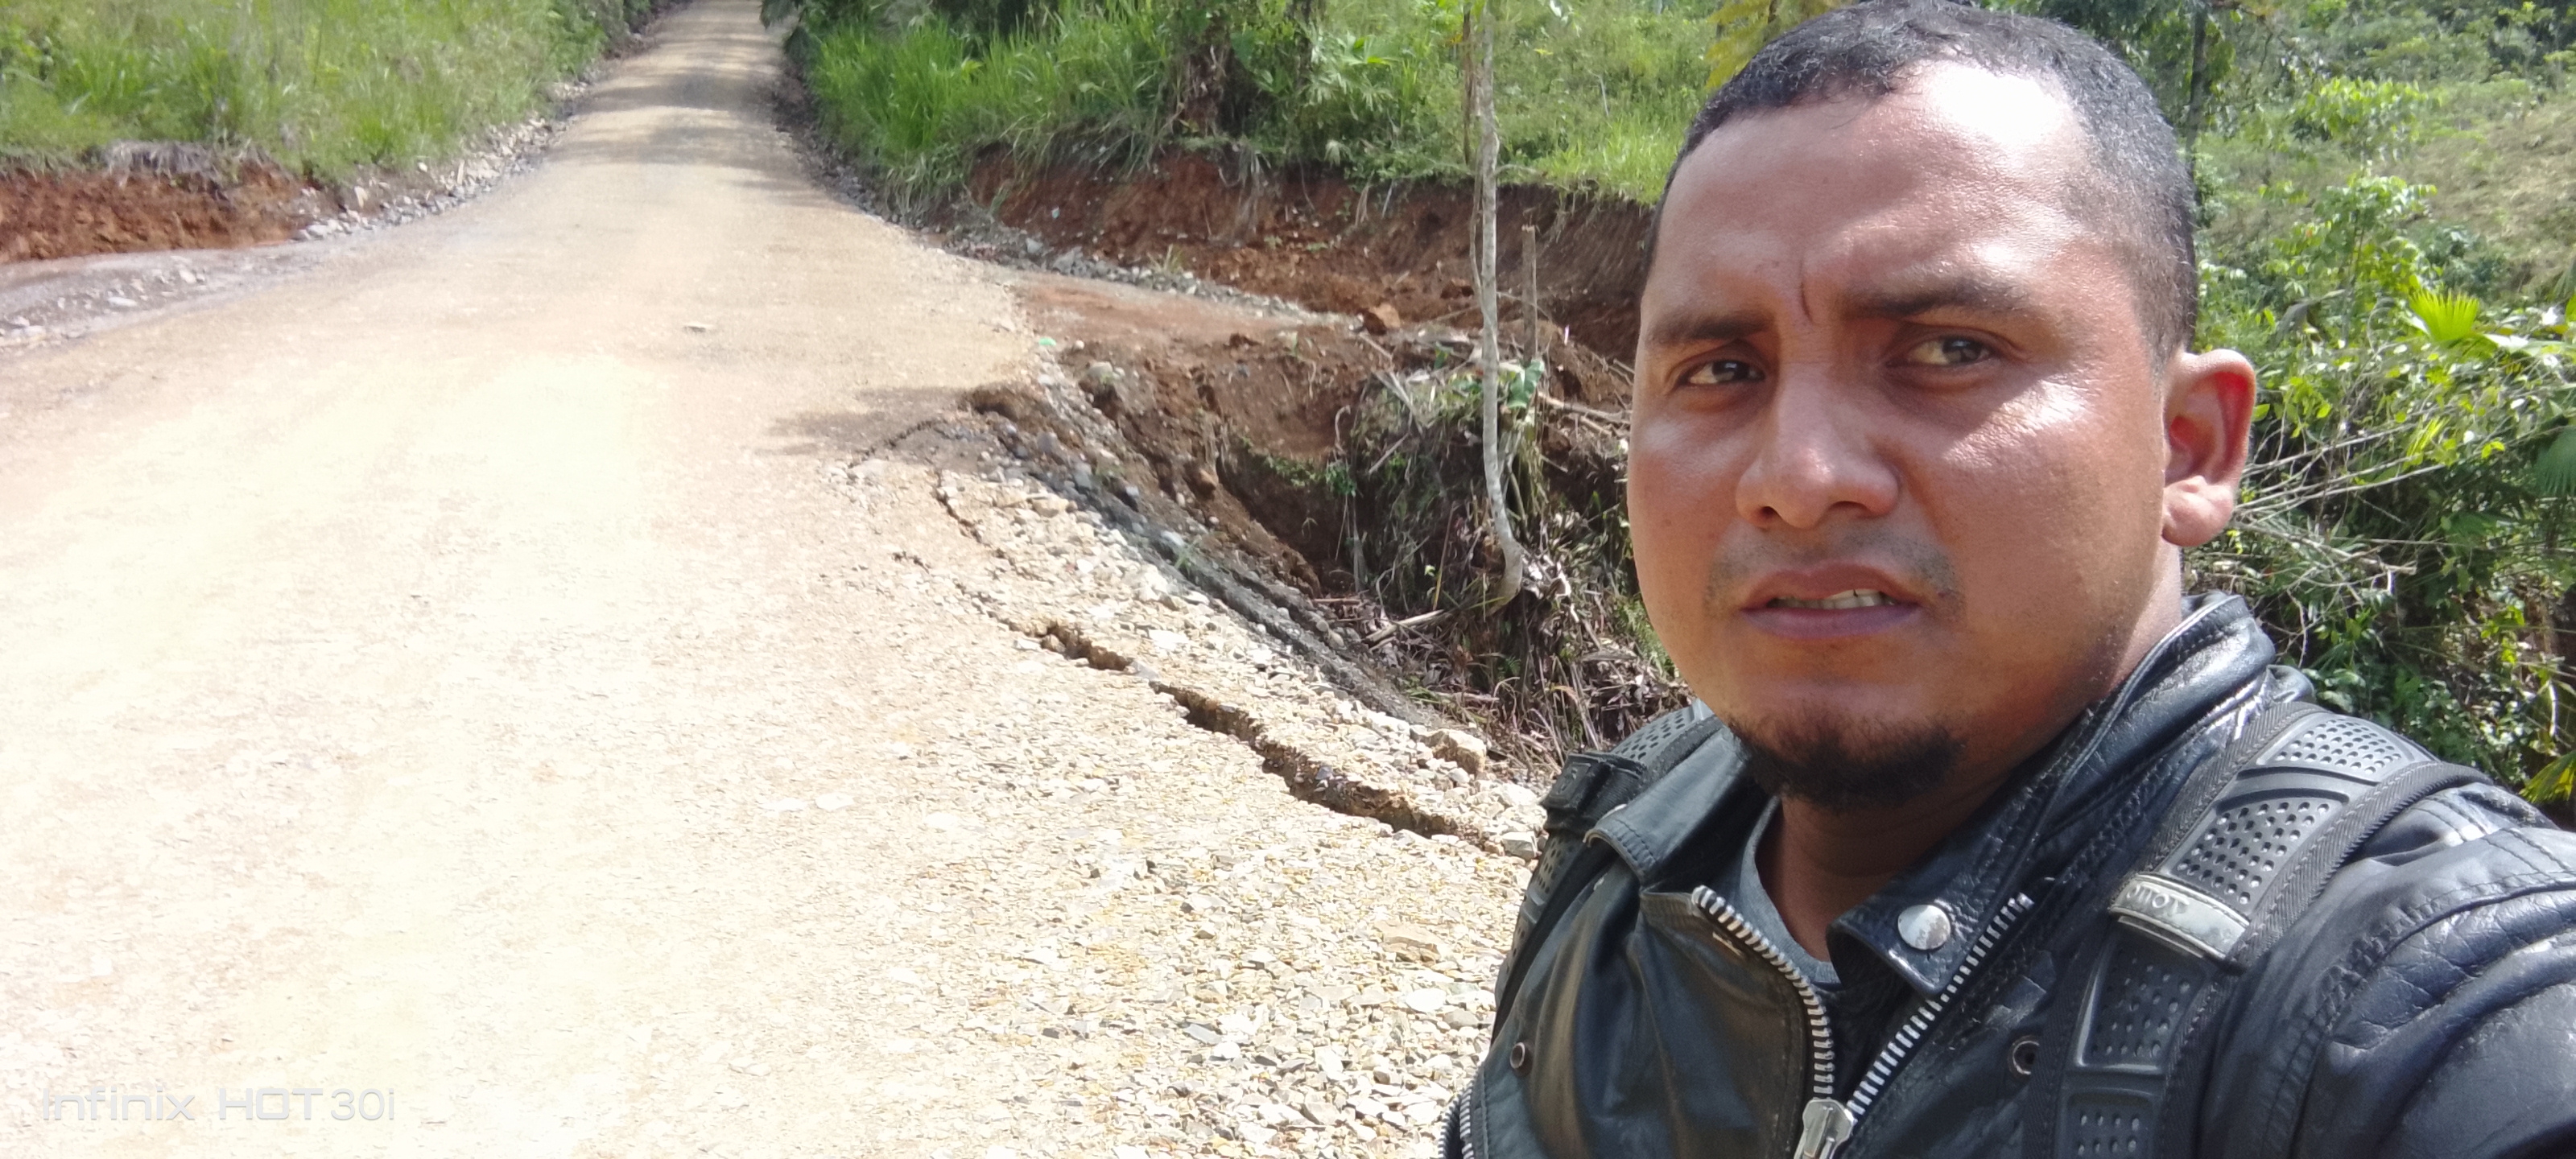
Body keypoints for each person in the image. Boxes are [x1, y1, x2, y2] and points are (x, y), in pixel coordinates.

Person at [1443, 2, 2576, 1157]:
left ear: (2187, 446)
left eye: (1948, 350)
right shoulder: (1625, 836)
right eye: (1723, 369)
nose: (1799, 478)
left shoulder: (2419, 992)